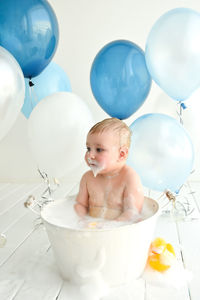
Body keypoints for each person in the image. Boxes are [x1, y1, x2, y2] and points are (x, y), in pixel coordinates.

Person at [74, 117, 144, 221]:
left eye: (99, 149)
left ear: (121, 154)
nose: (90, 155)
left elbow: (132, 212)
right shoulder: (88, 178)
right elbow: (80, 205)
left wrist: (112, 226)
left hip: (119, 232)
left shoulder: (129, 177)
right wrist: (82, 220)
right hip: (91, 230)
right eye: (88, 148)